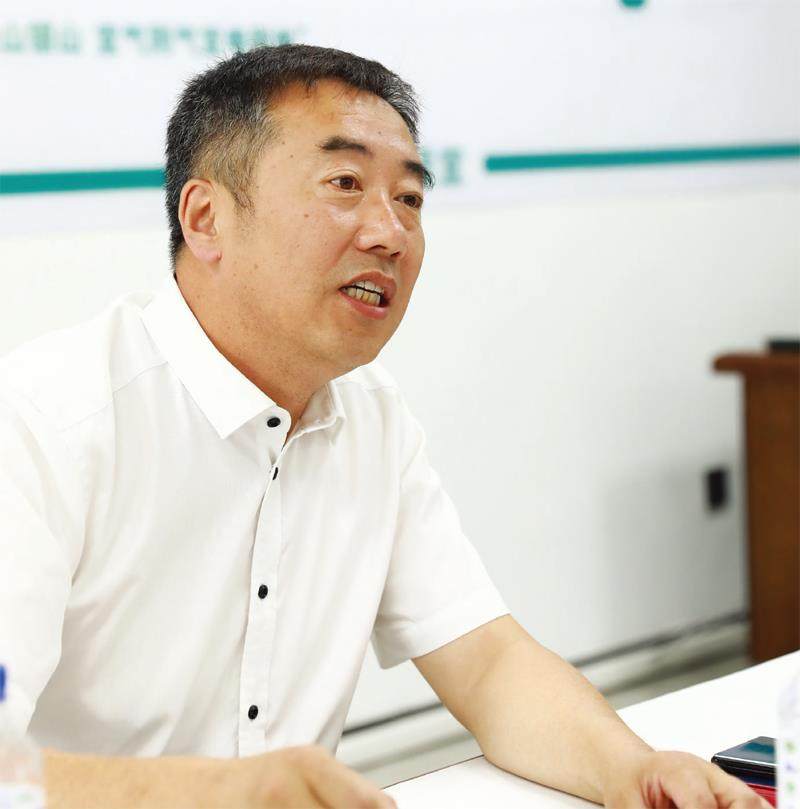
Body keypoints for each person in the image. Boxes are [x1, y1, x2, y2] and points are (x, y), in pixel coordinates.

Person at [0, 43, 768, 809]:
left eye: (409, 198)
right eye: (345, 183)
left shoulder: (370, 413)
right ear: (206, 218)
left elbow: (488, 664)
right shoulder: (43, 421)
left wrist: (632, 771)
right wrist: (216, 793)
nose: (389, 233)